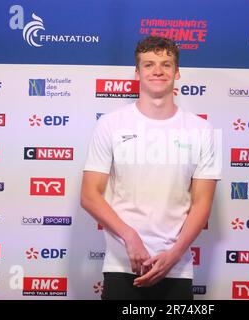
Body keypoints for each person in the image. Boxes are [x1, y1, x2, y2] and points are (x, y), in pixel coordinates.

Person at [81, 35, 221, 300]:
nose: (158, 70)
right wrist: (130, 237)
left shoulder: (203, 130)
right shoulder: (110, 124)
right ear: (137, 73)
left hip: (176, 268)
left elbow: (203, 204)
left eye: (166, 64)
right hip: (122, 264)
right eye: (149, 64)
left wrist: (174, 255)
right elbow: (89, 195)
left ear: (177, 73)